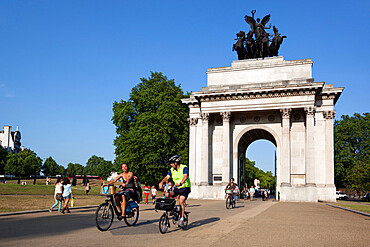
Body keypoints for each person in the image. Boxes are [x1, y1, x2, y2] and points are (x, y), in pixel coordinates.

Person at [159, 155, 191, 228]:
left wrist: (181, 183)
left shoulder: (184, 167)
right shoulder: (172, 170)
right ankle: (173, 209)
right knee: (168, 194)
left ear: (176, 163)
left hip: (185, 188)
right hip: (176, 188)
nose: (171, 164)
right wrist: (161, 182)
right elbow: (167, 177)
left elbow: (185, 176)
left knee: (181, 201)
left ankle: (182, 219)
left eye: (172, 163)